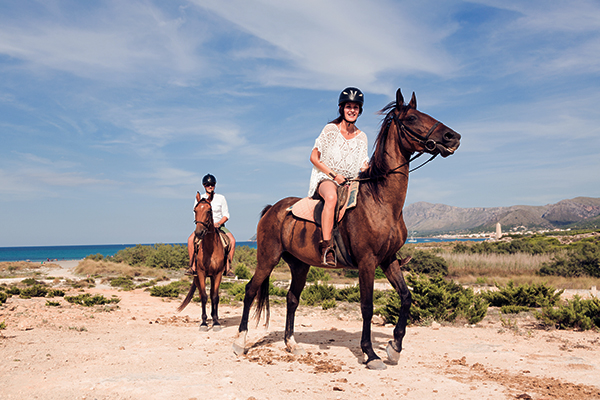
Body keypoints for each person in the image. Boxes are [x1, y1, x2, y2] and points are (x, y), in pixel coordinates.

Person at [308, 87, 369, 267]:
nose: (352, 110)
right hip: (326, 177)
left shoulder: (362, 137)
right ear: (342, 108)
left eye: (355, 107)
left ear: (360, 111)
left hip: (351, 182)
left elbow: (362, 164)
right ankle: (327, 248)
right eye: (348, 106)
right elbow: (313, 157)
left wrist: (369, 169)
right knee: (332, 197)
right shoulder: (330, 129)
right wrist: (334, 175)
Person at [186, 174, 236, 277]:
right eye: (208, 184)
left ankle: (228, 268)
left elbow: (226, 215)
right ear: (204, 185)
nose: (210, 186)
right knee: (190, 240)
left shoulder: (221, 198)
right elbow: (197, 212)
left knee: (232, 240)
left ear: (214, 185)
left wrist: (219, 223)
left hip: (218, 225)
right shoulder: (200, 198)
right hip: (203, 226)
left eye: (212, 184)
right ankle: (192, 267)